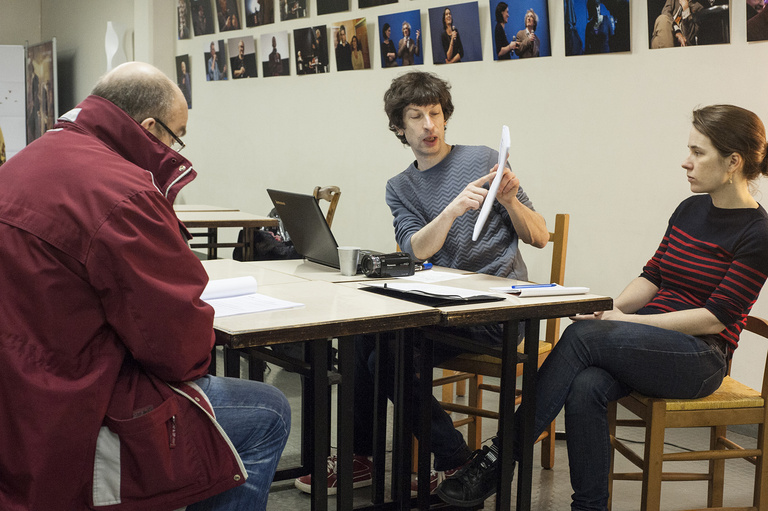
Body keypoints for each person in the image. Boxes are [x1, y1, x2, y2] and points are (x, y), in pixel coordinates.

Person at [437, 104, 768, 509]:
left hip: (701, 359)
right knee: (585, 384)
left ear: (733, 161)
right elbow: (654, 278)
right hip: (650, 338)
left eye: (698, 152)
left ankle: (498, 457)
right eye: (689, 149)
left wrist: (622, 324)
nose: (686, 161)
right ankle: (589, 506)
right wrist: (608, 308)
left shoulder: (759, 232)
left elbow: (716, 319)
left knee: (582, 337)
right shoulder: (689, 209)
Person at [0, 61, 291, 511]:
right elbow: (181, 353)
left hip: (19, 396)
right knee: (269, 411)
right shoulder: (124, 194)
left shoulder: (22, 164)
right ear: (151, 128)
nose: (177, 148)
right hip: (75, 409)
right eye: (178, 136)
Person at [293, 70, 548, 496]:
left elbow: (538, 235)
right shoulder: (400, 187)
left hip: (498, 309)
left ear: (445, 117)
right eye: (416, 116)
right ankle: (364, 457)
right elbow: (415, 250)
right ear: (399, 127)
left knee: (384, 356)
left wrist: (507, 200)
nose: (429, 125)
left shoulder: (483, 159)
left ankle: (454, 460)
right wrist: (450, 211)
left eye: (435, 114)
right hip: (442, 308)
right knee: (362, 340)